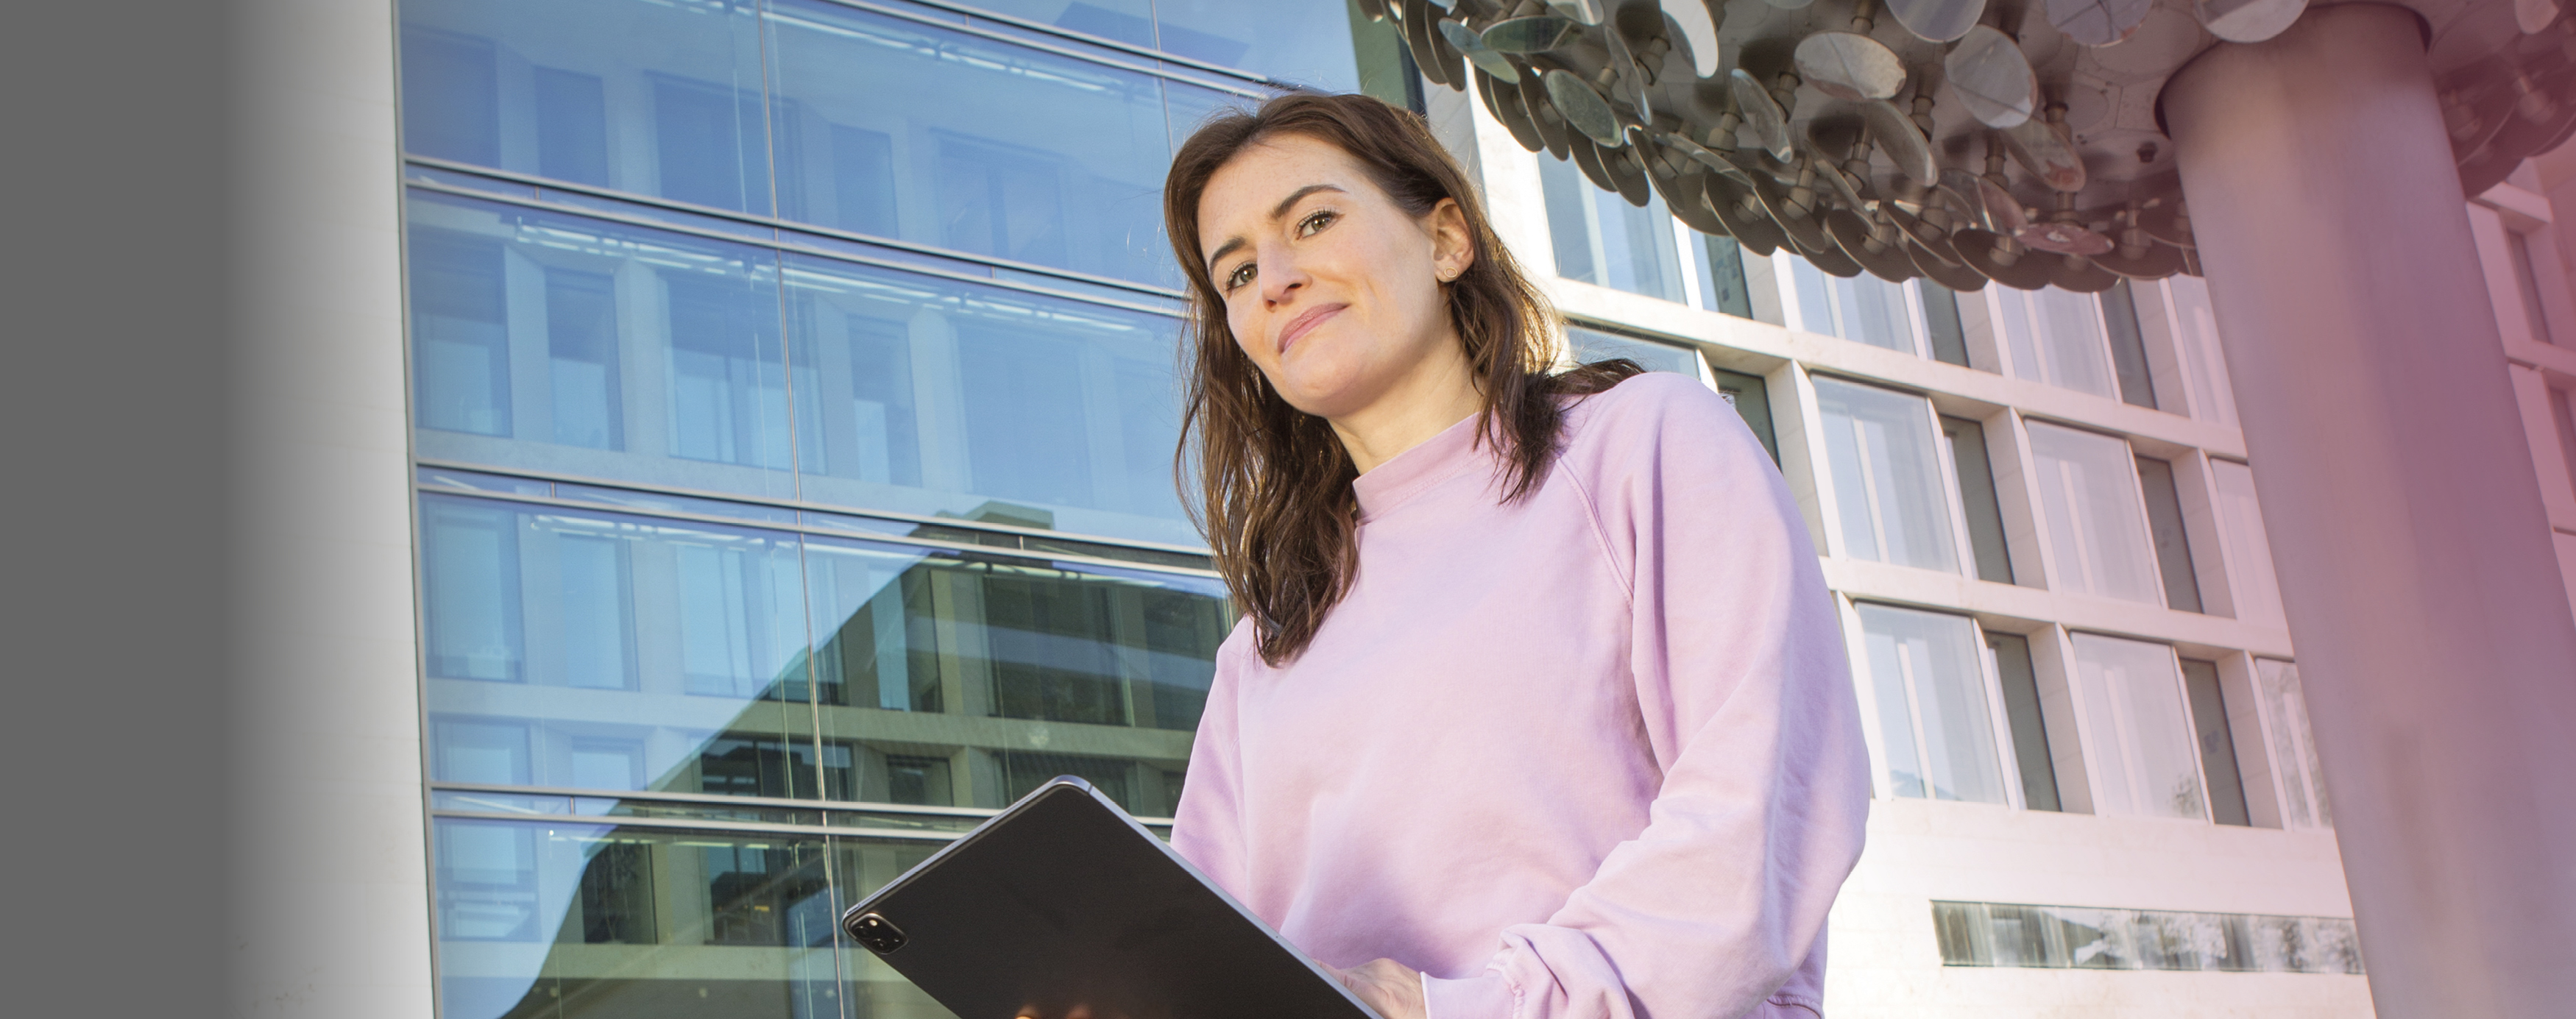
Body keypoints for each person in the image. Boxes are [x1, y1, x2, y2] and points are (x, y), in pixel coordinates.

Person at [1161, 91, 1872, 1019]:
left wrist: (1456, 1006)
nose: (1275, 278)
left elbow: (1758, 818)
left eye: (1315, 220)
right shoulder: (1263, 645)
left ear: (1446, 237)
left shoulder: (1642, 445)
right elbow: (1199, 948)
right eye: (1239, 272)